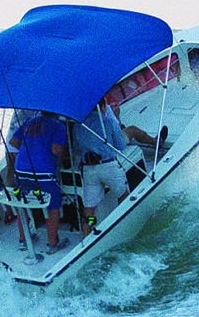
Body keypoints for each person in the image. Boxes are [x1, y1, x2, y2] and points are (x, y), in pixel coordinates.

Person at [8, 111, 68, 254]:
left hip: (21, 169)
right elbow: (56, 149)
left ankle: (23, 241)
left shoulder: (29, 122)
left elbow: (13, 142)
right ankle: (52, 244)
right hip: (44, 172)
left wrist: (31, 151)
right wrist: (64, 155)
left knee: (23, 203)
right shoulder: (59, 126)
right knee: (52, 207)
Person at [76, 100, 129, 237]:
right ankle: (123, 224)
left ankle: (87, 233)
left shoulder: (77, 126)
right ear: (103, 107)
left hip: (89, 170)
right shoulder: (108, 122)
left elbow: (76, 148)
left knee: (90, 209)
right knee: (123, 195)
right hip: (108, 166)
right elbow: (120, 145)